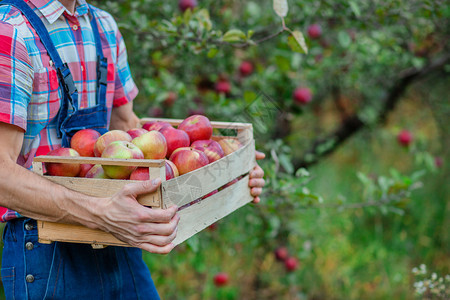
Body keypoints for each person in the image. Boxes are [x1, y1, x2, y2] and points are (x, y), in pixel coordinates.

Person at [0, 0, 265, 299]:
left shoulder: (102, 27)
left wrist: (227, 169)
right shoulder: (10, 32)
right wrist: (101, 213)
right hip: (48, 248)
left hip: (118, 239)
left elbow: (130, 132)